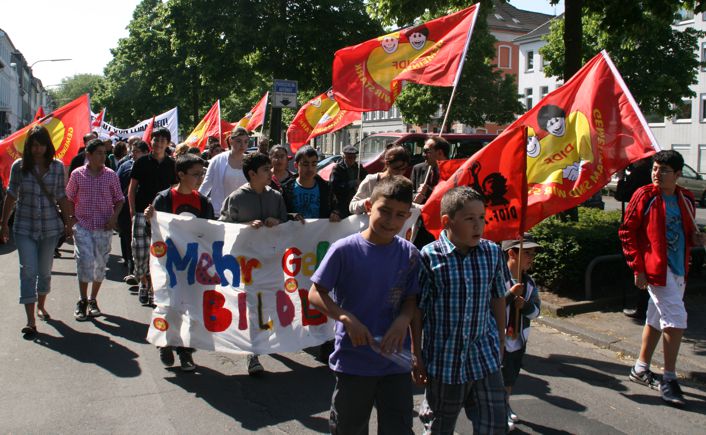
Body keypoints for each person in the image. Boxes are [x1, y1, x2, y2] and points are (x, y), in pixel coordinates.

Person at [309, 175, 420, 434]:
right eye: (385, 211)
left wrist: (404, 321)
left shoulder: (409, 254)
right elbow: (316, 293)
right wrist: (345, 318)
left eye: (400, 215)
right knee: (349, 428)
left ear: (408, 216)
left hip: (396, 364)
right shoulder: (344, 250)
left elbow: (411, 300)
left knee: (398, 428)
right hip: (354, 361)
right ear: (370, 206)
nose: (391, 221)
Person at [413, 186, 513, 434]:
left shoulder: (491, 252)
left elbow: (498, 296)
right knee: (440, 423)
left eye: (482, 218)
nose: (478, 225)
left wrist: (500, 339)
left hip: (485, 354)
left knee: (494, 422)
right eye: (470, 219)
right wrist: (417, 353)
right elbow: (417, 311)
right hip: (446, 360)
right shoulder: (429, 256)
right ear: (447, 221)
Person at [619, 150, 704, 407]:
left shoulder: (686, 198)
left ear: (677, 175)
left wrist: (696, 239)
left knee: (656, 319)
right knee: (676, 319)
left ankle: (640, 367)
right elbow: (627, 232)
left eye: (663, 170)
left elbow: (687, 232)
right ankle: (669, 377)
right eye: (655, 169)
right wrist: (638, 268)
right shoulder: (645, 196)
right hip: (656, 270)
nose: (656, 173)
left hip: (679, 269)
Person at [219, 152, 288, 375]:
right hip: (246, 264)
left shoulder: (276, 197)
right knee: (251, 306)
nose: (271, 172)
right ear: (252, 174)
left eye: (270, 168)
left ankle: (264, 340)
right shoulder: (236, 198)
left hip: (271, 262)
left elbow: (286, 226)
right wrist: (246, 225)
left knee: (269, 304)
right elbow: (222, 228)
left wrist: (277, 222)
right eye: (266, 169)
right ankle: (253, 352)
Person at [145, 153, 214, 372]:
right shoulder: (164, 199)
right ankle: (165, 341)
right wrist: (151, 219)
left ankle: (185, 351)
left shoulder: (203, 202)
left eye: (201, 174)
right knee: (170, 306)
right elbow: (155, 233)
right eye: (196, 174)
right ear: (181, 175)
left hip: (193, 266)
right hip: (169, 265)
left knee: (192, 310)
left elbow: (210, 231)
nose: (200, 178)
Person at [1, 125, 73, 335]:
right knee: (28, 271)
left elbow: (62, 196)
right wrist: (4, 223)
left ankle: (41, 305)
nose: (37, 149)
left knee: (44, 272)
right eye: (33, 145)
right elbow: (11, 195)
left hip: (50, 228)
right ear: (28, 146)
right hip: (24, 226)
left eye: (41, 145)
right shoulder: (19, 166)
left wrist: (68, 223)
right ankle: (30, 319)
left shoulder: (58, 167)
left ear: (47, 145)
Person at [66, 139, 124, 320]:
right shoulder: (77, 175)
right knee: (84, 262)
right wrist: (71, 219)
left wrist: (113, 218)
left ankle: (93, 299)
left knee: (100, 266)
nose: (102, 156)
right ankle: (82, 300)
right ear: (88, 155)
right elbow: (68, 196)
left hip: (103, 227)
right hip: (82, 226)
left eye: (103, 153)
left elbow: (119, 199)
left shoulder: (111, 175)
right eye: (98, 153)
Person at [128, 127, 177, 306]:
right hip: (141, 212)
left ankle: (153, 289)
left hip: (162, 216)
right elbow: (132, 188)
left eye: (163, 141)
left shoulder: (172, 164)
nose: (158, 144)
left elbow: (175, 189)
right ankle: (143, 282)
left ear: (168, 144)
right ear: (151, 142)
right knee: (139, 253)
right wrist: (132, 211)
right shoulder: (141, 162)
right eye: (156, 140)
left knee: (158, 253)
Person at [501, 234, 542, 431]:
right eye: (526, 253)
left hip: (517, 340)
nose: (531, 257)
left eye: (532, 253)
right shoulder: (498, 278)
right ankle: (496, 409)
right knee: (496, 376)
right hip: (498, 339)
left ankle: (505, 404)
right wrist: (510, 296)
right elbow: (492, 306)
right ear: (511, 253)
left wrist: (525, 307)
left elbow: (536, 312)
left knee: (510, 376)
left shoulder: (530, 284)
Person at [116, 140, 150, 285]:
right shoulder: (124, 166)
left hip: (144, 210)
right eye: (132, 151)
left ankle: (143, 275)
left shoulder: (151, 167)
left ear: (145, 152)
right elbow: (116, 186)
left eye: (136, 151)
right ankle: (133, 270)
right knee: (129, 240)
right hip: (126, 209)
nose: (133, 154)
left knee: (143, 244)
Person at [282, 145, 342, 222]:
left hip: (320, 233)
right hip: (294, 233)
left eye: (313, 164)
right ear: (296, 165)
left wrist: (336, 213)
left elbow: (338, 208)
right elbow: (280, 214)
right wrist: (292, 216)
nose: (310, 169)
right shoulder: (285, 188)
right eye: (305, 164)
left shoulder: (326, 188)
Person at [199, 126, 250, 214]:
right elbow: (206, 186)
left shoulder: (251, 162)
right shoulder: (217, 160)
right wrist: (195, 202)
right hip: (221, 212)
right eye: (239, 141)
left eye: (246, 141)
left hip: (244, 212)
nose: (243, 145)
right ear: (230, 140)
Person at [411, 136, 449, 249]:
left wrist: (430, 190)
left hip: (442, 225)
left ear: (440, 152)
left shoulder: (453, 170)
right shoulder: (418, 169)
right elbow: (411, 194)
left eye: (427, 151)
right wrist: (417, 196)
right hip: (421, 224)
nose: (423, 154)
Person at [349, 145, 411, 215]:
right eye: (396, 168)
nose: (400, 173)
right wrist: (367, 203)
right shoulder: (371, 180)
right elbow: (352, 206)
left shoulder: (404, 183)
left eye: (403, 169)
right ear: (387, 164)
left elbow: (406, 206)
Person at [330, 145, 368, 218]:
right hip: (342, 204)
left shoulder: (359, 168)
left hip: (355, 202)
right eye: (349, 157)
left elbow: (366, 179)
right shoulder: (337, 169)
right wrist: (353, 183)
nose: (352, 160)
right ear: (344, 157)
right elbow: (334, 186)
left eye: (354, 157)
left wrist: (361, 185)